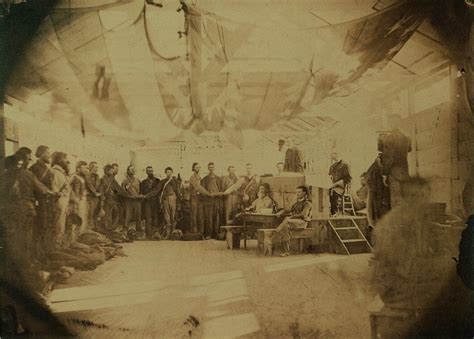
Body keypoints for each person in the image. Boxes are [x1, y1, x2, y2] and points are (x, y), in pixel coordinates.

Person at [1, 152, 55, 287]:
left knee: (11, 239)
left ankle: (12, 271)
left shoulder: (3, 176)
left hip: (7, 212)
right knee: (26, 239)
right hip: (26, 211)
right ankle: (25, 269)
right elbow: (43, 191)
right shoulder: (27, 174)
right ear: (20, 163)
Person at [378, 114, 412, 209]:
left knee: (395, 200)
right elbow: (409, 149)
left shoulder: (389, 138)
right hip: (405, 171)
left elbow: (389, 158)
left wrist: (384, 174)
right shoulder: (407, 137)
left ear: (391, 124)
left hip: (394, 172)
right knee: (404, 199)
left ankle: (397, 223)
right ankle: (405, 222)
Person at [273, 185, 312, 257]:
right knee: (285, 226)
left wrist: (291, 217)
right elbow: (288, 209)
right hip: (294, 222)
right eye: (296, 192)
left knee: (286, 221)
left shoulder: (307, 203)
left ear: (304, 193)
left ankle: (275, 234)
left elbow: (303, 215)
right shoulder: (296, 203)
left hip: (302, 222)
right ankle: (285, 251)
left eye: (299, 192)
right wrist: (281, 212)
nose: (297, 194)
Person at [29, 145, 54, 258]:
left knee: (47, 226)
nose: (49, 156)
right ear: (42, 154)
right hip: (40, 203)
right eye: (48, 153)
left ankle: (45, 253)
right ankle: (38, 255)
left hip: (48, 202)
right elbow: (32, 187)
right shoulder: (34, 168)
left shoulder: (46, 168)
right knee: (40, 228)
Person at [146, 167, 181, 239]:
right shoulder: (162, 182)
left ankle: (173, 234)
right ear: (165, 173)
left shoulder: (175, 182)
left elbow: (178, 192)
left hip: (173, 199)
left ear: (172, 173)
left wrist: (179, 203)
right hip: (165, 200)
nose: (169, 173)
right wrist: (147, 195)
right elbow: (156, 190)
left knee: (173, 216)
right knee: (166, 216)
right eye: (167, 172)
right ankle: (168, 234)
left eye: (170, 172)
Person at [97, 164, 130, 232]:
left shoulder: (111, 179)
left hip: (112, 200)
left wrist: (126, 195)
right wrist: (102, 200)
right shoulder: (102, 179)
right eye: (111, 171)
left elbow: (117, 189)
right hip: (106, 200)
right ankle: (107, 230)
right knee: (107, 216)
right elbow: (101, 190)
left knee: (116, 213)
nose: (112, 172)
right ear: (106, 171)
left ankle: (112, 229)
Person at [50, 151, 72, 249]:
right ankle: (56, 247)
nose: (67, 161)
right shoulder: (55, 172)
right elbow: (54, 190)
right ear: (59, 160)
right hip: (59, 203)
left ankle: (59, 246)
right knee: (58, 226)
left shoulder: (61, 172)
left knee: (62, 226)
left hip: (63, 203)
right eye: (65, 159)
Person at [201, 162, 223, 239]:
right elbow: (203, 190)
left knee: (216, 217)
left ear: (214, 168)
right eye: (210, 167)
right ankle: (208, 234)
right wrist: (207, 195)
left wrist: (219, 194)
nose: (211, 169)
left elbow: (221, 190)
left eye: (212, 167)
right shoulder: (205, 179)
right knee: (208, 217)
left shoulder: (218, 178)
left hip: (216, 200)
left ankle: (216, 234)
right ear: (208, 168)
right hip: (208, 201)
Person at [70, 161, 90, 240]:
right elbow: (76, 192)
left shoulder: (82, 177)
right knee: (78, 220)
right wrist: (76, 204)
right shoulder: (75, 177)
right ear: (78, 168)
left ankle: (80, 238)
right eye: (84, 168)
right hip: (78, 201)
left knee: (83, 220)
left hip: (83, 200)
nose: (86, 170)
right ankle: (75, 239)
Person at [328, 151, 352, 216]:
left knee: (332, 192)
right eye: (332, 154)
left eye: (335, 153)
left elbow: (349, 179)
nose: (333, 155)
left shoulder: (345, 165)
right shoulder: (332, 166)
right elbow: (329, 177)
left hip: (342, 187)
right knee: (322, 191)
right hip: (332, 186)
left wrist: (337, 183)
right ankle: (323, 212)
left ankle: (334, 213)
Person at [140, 166, 160, 238]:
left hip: (155, 202)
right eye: (148, 171)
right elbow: (141, 193)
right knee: (148, 218)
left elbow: (157, 191)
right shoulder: (143, 182)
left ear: (153, 171)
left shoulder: (158, 181)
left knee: (155, 217)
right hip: (147, 202)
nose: (150, 172)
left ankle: (155, 234)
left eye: (151, 171)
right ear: (146, 172)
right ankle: (148, 234)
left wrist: (147, 195)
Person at [189, 163, 209, 234]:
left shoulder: (200, 177)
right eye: (196, 167)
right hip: (194, 198)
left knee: (200, 215)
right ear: (193, 168)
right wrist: (207, 193)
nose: (198, 169)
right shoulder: (192, 177)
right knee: (194, 215)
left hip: (200, 198)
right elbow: (198, 187)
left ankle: (201, 232)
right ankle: (194, 232)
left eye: (199, 167)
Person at [122, 165, 142, 232]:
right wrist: (129, 196)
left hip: (137, 200)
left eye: (133, 169)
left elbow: (141, 190)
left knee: (138, 215)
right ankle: (125, 228)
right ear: (128, 171)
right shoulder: (125, 180)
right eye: (131, 169)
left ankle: (138, 229)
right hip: (129, 200)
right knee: (128, 215)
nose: (133, 171)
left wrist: (139, 196)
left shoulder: (138, 180)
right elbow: (123, 191)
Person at [86, 161, 101, 229]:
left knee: (96, 213)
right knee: (90, 213)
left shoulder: (97, 176)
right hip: (90, 197)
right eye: (95, 167)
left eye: (97, 167)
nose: (97, 169)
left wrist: (100, 194)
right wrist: (95, 193)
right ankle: (90, 227)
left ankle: (95, 227)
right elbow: (90, 185)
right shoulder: (87, 175)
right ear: (91, 168)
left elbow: (99, 186)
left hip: (96, 198)